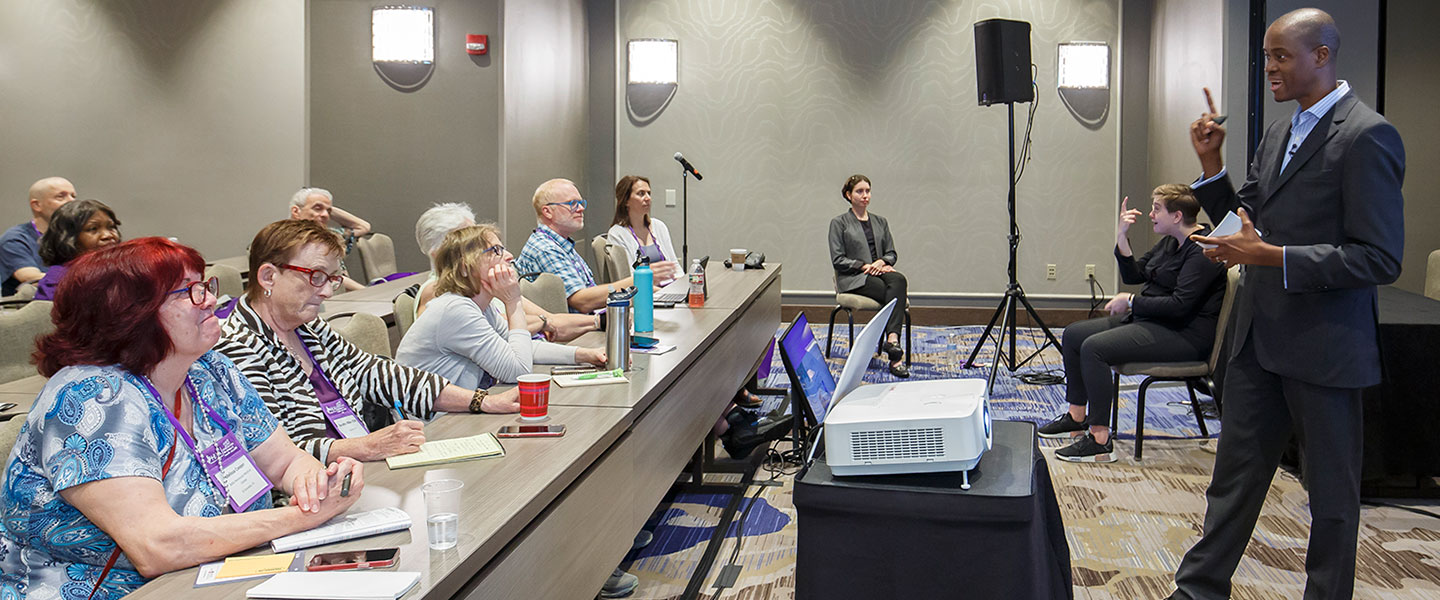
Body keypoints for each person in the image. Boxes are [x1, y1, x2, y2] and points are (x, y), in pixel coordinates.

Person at [1167, 9, 1405, 600]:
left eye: (1280, 56)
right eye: (1266, 56)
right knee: (1233, 481)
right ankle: (1198, 589)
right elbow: (1244, 220)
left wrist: (1271, 256)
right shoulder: (1280, 132)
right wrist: (1210, 165)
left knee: (1329, 498)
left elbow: (1379, 258)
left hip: (1325, 350)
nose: (1268, 67)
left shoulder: (1366, 134)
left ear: (1321, 56)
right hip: (1259, 341)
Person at [0, 238, 363, 598]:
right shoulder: (94, 396)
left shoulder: (210, 370)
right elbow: (158, 546)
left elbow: (284, 462)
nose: (210, 300)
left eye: (205, 286)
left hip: (221, 576)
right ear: (131, 313)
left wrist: (316, 485)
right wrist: (302, 517)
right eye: (189, 292)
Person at [216, 220, 519, 466]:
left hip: (357, 469)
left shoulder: (309, 328)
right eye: (317, 277)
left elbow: (377, 373)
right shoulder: (237, 345)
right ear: (268, 276)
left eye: (334, 279)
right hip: (307, 490)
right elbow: (275, 452)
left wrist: (482, 401)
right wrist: (367, 446)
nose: (327, 293)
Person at [1038, 185, 1225, 462]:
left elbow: (1179, 307)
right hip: (1154, 321)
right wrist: (1122, 237)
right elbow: (1137, 273)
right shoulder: (1172, 242)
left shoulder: (1202, 251)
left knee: (1095, 349)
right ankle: (1077, 416)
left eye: (1156, 209)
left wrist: (1132, 301)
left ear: (1176, 216)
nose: (1150, 214)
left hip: (1183, 335)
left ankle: (1099, 439)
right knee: (1074, 334)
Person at [396, 223, 606, 388]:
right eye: (496, 250)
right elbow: (518, 371)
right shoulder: (456, 309)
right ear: (465, 267)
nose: (509, 256)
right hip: (435, 425)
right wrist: (512, 301)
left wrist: (585, 355)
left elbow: (518, 348)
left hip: (459, 414)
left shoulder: (480, 306)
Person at [413, 202, 597, 342]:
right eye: (469, 240)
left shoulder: (488, 284)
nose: (481, 241)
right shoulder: (437, 291)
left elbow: (551, 320)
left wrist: (600, 322)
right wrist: (542, 323)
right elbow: (500, 335)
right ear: (441, 252)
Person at [514, 178, 678, 313]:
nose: (580, 209)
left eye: (580, 203)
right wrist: (641, 280)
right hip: (578, 337)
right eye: (572, 204)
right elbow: (582, 301)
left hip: (590, 322)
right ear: (547, 212)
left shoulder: (561, 244)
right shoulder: (545, 248)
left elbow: (589, 293)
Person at [828, 174, 910, 378]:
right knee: (895, 294)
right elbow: (838, 260)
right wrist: (865, 266)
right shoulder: (839, 223)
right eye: (860, 191)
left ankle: (891, 340)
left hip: (880, 272)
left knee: (899, 280)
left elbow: (892, 253)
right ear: (848, 195)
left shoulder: (880, 222)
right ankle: (896, 357)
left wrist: (881, 262)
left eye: (867, 191)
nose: (865, 195)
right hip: (854, 278)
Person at [33, 199, 122, 301]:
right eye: (93, 229)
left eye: (111, 227)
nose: (108, 235)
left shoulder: (122, 273)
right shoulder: (57, 281)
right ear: (68, 238)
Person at [1, 177, 76, 297]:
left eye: (73, 196)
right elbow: (30, 278)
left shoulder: (75, 236)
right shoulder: (14, 240)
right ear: (37, 205)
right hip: (28, 307)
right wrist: (84, 279)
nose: (71, 202)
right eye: (61, 196)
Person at [288, 187, 370, 291]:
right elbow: (326, 275)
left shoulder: (330, 235)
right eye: (317, 208)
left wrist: (327, 206)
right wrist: (365, 291)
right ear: (296, 211)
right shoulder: (292, 241)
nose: (326, 215)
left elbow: (363, 227)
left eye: (328, 211)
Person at [606, 175, 680, 282]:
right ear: (626, 201)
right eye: (641, 194)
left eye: (649, 193)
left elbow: (674, 265)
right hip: (645, 292)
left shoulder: (659, 226)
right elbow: (627, 278)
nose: (648, 198)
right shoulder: (617, 233)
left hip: (669, 288)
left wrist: (684, 286)